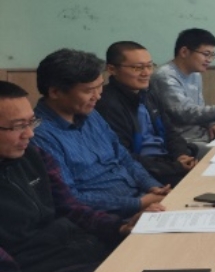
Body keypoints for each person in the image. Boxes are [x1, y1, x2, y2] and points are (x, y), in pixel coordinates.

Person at [0, 81, 137, 272]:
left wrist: (119, 227)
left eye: (31, 122)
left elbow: (69, 207)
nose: (29, 134)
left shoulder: (33, 155)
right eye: (18, 126)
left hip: (74, 247)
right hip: (36, 270)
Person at [32, 49, 170, 218]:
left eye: (99, 87)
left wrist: (152, 186)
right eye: (89, 91)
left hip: (142, 198)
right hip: (107, 218)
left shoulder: (91, 115)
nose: (97, 96)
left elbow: (124, 158)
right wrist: (139, 203)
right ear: (55, 92)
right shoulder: (39, 136)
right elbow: (70, 198)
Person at [96, 41, 198, 187]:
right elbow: (123, 156)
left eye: (150, 66)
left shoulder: (148, 93)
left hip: (168, 162)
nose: (146, 73)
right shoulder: (107, 104)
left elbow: (170, 131)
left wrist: (181, 155)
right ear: (112, 69)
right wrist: (174, 167)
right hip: (145, 172)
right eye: (137, 68)